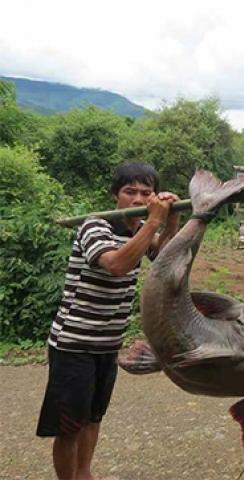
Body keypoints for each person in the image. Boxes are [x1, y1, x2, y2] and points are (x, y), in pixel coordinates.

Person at [36, 162, 181, 480]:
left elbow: (163, 260)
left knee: (93, 417)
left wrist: (170, 223)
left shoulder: (138, 227)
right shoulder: (94, 226)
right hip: (74, 344)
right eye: (130, 191)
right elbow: (116, 264)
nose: (138, 198)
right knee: (69, 426)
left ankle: (85, 474)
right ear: (116, 194)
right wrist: (153, 222)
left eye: (146, 192)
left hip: (107, 344)